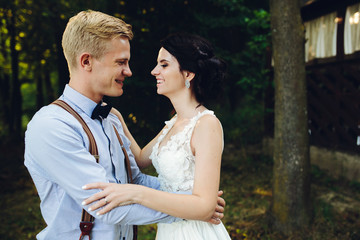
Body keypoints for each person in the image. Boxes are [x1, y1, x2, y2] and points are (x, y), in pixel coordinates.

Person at [24, 10, 224, 240]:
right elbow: (109, 206)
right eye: (121, 62)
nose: (129, 71)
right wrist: (192, 210)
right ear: (86, 61)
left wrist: (195, 199)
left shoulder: (112, 120)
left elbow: (134, 180)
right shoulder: (52, 126)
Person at [82, 33, 231, 239]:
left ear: (188, 74)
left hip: (194, 232)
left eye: (164, 65)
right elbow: (140, 158)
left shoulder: (207, 125)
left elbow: (204, 208)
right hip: (169, 230)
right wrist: (117, 118)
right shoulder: (173, 123)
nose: (154, 71)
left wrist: (136, 194)